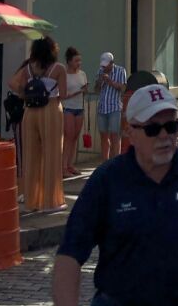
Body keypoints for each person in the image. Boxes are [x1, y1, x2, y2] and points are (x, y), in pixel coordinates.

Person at [54, 84, 178, 306]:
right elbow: (69, 253)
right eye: (153, 129)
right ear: (130, 132)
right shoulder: (108, 180)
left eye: (171, 126)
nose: (164, 136)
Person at [9, 36, 67, 213]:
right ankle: (51, 201)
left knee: (31, 155)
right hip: (50, 109)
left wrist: (24, 94)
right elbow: (63, 94)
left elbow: (12, 83)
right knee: (52, 154)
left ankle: (31, 201)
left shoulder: (28, 68)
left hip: (30, 112)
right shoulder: (58, 69)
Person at [94, 52, 127, 161]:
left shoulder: (121, 71)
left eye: (106, 65)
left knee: (115, 136)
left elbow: (122, 88)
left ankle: (116, 162)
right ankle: (105, 162)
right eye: (102, 65)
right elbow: (96, 90)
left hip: (115, 108)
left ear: (112, 63)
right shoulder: (100, 71)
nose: (104, 67)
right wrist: (99, 82)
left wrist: (110, 81)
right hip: (102, 108)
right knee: (103, 136)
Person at [63, 47, 88, 178]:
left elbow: (85, 90)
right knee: (68, 137)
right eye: (76, 60)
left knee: (75, 137)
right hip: (68, 108)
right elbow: (62, 95)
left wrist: (85, 90)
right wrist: (78, 91)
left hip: (80, 108)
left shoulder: (82, 74)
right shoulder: (64, 75)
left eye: (80, 60)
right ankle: (63, 167)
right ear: (69, 61)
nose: (79, 63)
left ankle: (70, 164)